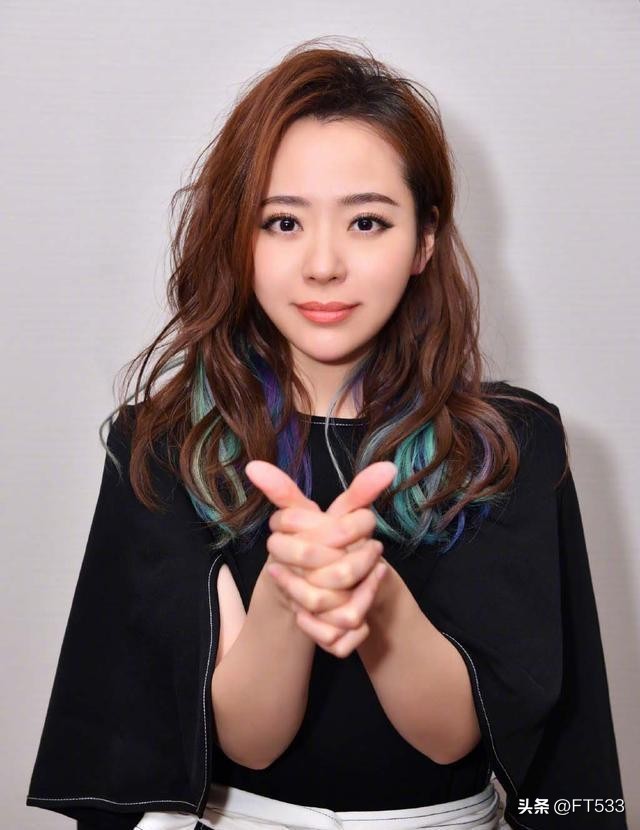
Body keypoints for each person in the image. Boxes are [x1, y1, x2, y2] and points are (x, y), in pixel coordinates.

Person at [26, 37, 627, 830]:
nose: (322, 265)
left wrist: (372, 594)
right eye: (282, 222)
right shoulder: (167, 444)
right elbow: (251, 738)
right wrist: (287, 595)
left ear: (425, 240)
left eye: (367, 222)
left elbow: (455, 735)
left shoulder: (506, 443)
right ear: (239, 237)